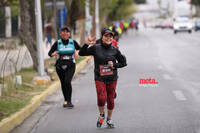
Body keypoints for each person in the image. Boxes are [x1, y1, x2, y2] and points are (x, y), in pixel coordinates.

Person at [79, 28, 127, 128]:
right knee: (101, 99)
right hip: (99, 78)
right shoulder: (96, 48)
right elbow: (81, 53)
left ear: (112, 38)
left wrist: (114, 65)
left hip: (112, 78)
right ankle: (102, 115)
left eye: (110, 36)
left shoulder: (115, 50)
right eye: (106, 36)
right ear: (102, 37)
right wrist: (87, 44)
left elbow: (123, 63)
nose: (108, 38)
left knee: (110, 100)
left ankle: (109, 119)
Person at [48, 26, 80, 108]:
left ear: (69, 34)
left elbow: (80, 49)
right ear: (60, 33)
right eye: (63, 32)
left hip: (71, 65)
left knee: (67, 81)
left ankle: (69, 101)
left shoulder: (73, 42)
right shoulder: (57, 43)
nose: (65, 33)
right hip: (60, 66)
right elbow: (50, 53)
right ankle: (65, 100)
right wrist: (53, 54)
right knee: (63, 83)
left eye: (67, 32)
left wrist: (77, 52)